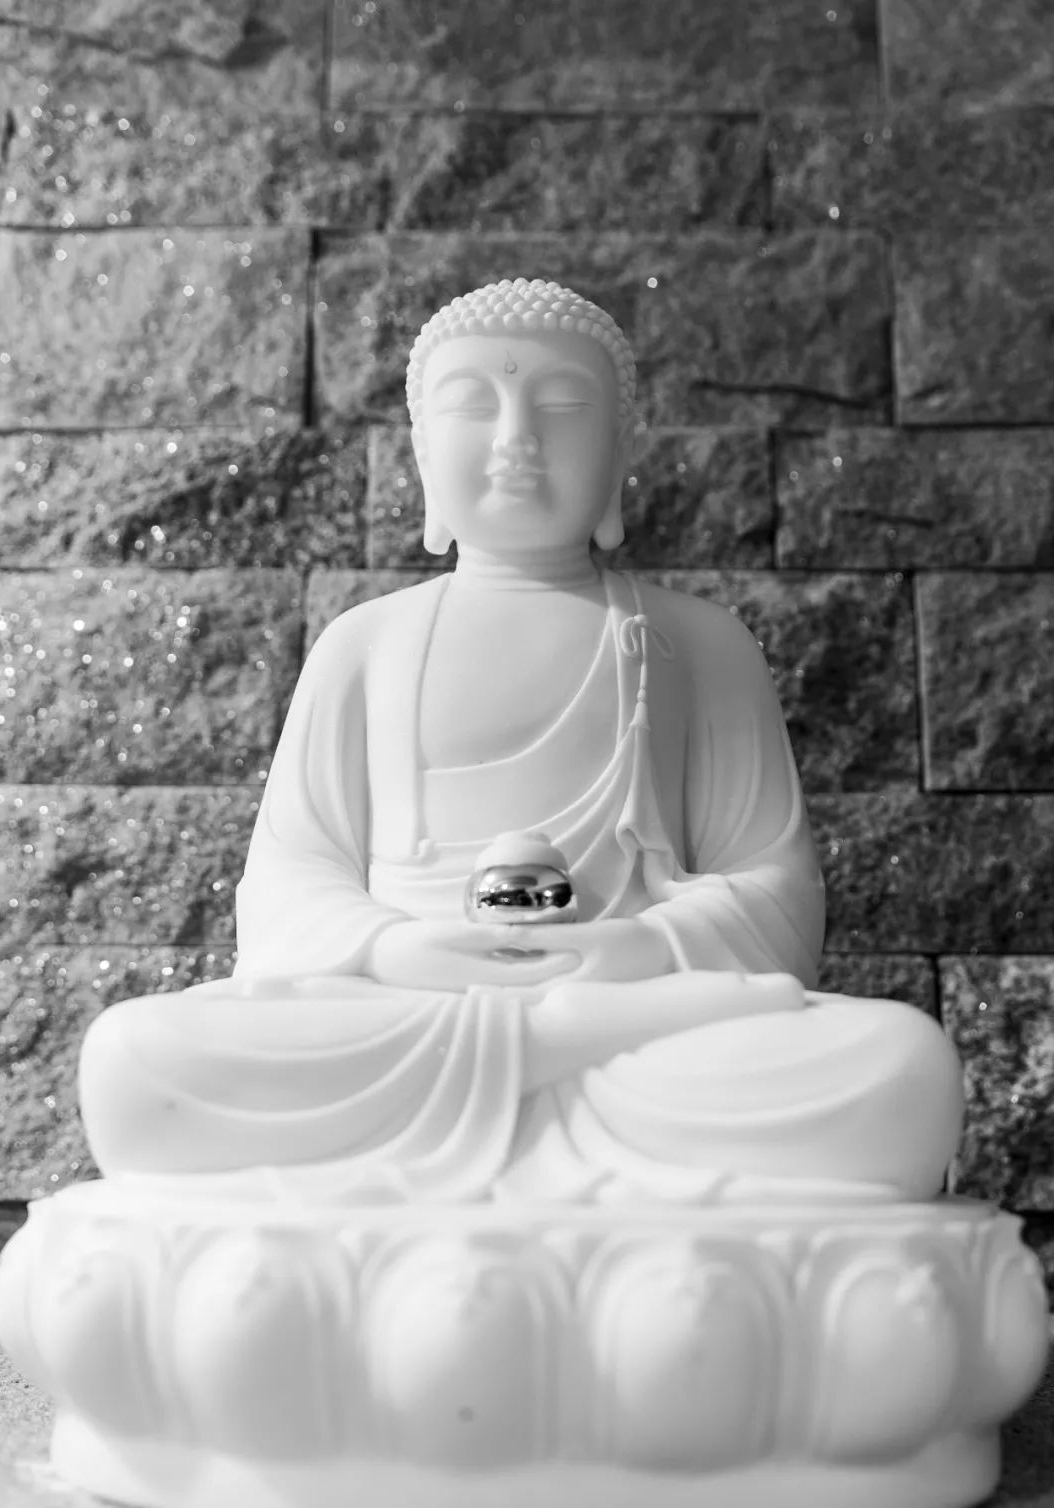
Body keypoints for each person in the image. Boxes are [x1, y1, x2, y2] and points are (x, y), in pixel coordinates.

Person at [79, 278, 963, 1204]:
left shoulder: (699, 644)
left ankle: (496, 1131)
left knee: (900, 1065)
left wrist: (642, 947)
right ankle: (565, 1133)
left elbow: (776, 894)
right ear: (423, 453)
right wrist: (391, 950)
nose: (516, 439)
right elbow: (287, 886)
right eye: (474, 406)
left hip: (630, 1021)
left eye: (564, 407)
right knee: (137, 1059)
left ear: (620, 451)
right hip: (411, 1020)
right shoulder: (365, 644)